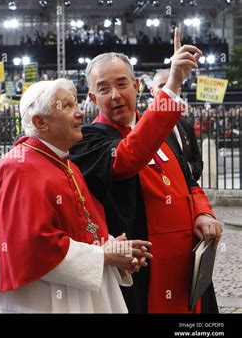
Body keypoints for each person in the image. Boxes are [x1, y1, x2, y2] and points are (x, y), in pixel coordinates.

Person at [0, 79, 153, 313]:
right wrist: (103, 254)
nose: (80, 113)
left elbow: (81, 228)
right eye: (67, 106)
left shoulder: (64, 163)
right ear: (40, 122)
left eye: (76, 104)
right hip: (42, 298)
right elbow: (33, 246)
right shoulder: (18, 168)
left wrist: (112, 245)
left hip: (73, 292)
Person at [69, 29, 222, 313]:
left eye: (122, 83)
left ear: (137, 85)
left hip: (187, 265)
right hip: (143, 271)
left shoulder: (160, 130)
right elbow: (128, 157)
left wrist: (203, 211)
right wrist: (172, 85)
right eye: (103, 88)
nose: (115, 95)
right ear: (92, 96)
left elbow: (190, 182)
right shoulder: (88, 139)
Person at [151, 68, 203, 181]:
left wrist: (187, 169)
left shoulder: (186, 126)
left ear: (179, 91)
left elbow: (197, 163)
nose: (167, 90)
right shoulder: (141, 124)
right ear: (152, 91)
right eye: (162, 86)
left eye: (172, 85)